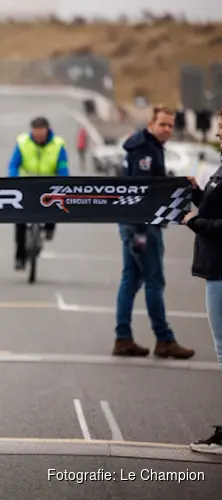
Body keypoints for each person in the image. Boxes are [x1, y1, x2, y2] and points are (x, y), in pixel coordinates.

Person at [112, 105, 194, 359]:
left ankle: (123, 337)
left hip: (135, 223)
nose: (167, 129)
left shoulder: (147, 146)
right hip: (142, 225)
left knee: (130, 280)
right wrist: (139, 233)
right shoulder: (144, 150)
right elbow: (140, 192)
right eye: (163, 124)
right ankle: (164, 339)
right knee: (154, 281)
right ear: (151, 124)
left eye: (171, 125)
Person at [185, 110, 222, 454]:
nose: (220, 134)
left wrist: (195, 223)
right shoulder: (221, 168)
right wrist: (197, 193)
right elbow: (216, 210)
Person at [7, 116, 68, 270]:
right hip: (26, 185)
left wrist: (64, 182)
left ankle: (49, 228)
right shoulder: (23, 143)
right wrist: (13, 180)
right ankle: (20, 258)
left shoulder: (58, 145)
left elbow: (63, 168)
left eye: (41, 130)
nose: (38, 134)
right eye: (35, 131)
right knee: (19, 222)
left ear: (47, 130)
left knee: (55, 205)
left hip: (48, 185)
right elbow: (13, 165)